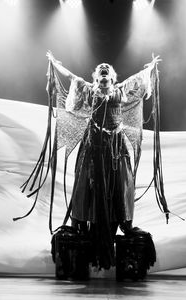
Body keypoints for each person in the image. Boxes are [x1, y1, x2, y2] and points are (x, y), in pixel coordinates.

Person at [45, 51, 162, 270]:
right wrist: (55, 64)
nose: (105, 66)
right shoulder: (89, 90)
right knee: (89, 184)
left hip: (116, 146)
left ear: (113, 76)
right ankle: (85, 225)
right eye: (101, 67)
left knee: (119, 183)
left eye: (108, 66)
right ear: (97, 77)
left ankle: (120, 222)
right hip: (94, 144)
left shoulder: (120, 90)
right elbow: (71, 76)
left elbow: (139, 77)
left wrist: (151, 68)